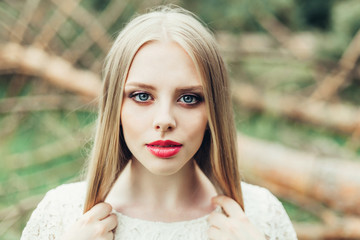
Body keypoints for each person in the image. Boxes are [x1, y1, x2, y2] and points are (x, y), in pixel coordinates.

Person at [21, 5, 297, 240]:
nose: (164, 120)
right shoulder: (60, 215)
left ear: (214, 109)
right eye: (142, 96)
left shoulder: (261, 215)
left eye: (189, 98)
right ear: (114, 106)